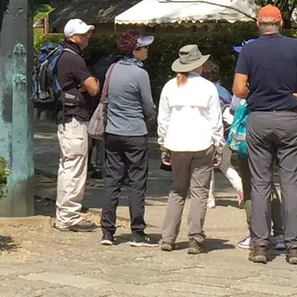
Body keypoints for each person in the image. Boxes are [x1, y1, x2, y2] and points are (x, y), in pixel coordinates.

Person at [233, 4, 297, 266]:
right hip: (289, 118)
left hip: (259, 119)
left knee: (260, 184)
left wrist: (255, 92)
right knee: (290, 184)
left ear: (259, 24)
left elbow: (238, 89)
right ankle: (294, 247)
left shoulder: (249, 49)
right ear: (280, 23)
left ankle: (259, 245)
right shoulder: (296, 47)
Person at [158, 44, 224, 255]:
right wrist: (219, 145)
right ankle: (195, 237)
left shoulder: (170, 86)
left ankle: (168, 237)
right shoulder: (208, 87)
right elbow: (216, 120)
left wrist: (163, 143)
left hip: (176, 144)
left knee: (177, 190)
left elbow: (163, 120)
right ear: (199, 65)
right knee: (199, 192)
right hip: (202, 143)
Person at [100, 32, 156, 247]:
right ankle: (137, 232)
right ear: (135, 50)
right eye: (144, 47)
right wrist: (148, 117)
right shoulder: (140, 74)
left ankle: (107, 231)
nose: (147, 51)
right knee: (136, 183)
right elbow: (148, 106)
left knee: (112, 182)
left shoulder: (112, 70)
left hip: (113, 132)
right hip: (135, 133)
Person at [232, 40, 285, 252]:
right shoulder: (277, 78)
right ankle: (280, 233)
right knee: (270, 185)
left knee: (250, 186)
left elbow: (235, 103)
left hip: (248, 139)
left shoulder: (245, 83)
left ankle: (255, 233)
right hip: (273, 134)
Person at [54, 18, 100, 232]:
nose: (88, 36)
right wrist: (91, 83)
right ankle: (69, 216)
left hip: (66, 118)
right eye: (83, 34)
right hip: (74, 119)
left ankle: (64, 213)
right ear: (72, 37)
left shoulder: (63, 56)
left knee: (67, 166)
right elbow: (93, 88)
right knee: (75, 167)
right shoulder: (73, 59)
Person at [201, 59, 243, 208]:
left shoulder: (206, 91)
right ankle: (241, 190)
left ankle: (209, 199)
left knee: (207, 166)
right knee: (225, 165)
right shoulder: (225, 91)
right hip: (229, 132)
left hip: (212, 134)